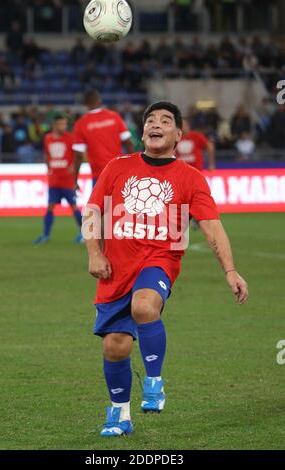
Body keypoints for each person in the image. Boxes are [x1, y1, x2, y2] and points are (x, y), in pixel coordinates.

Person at [82, 101, 249, 437]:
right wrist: (94, 254)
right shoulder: (117, 167)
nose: (155, 124)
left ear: (178, 135)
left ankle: (155, 380)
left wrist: (230, 270)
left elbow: (212, 227)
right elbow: (91, 212)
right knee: (115, 344)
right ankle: (120, 414)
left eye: (165, 120)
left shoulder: (190, 178)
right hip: (115, 269)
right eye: (150, 120)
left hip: (159, 260)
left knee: (144, 305)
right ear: (143, 131)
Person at [34, 114, 82, 245]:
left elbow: (78, 156)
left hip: (67, 181)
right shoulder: (48, 138)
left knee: (74, 207)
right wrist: (48, 167)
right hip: (54, 180)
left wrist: (73, 170)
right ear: (54, 125)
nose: (63, 126)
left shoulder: (70, 138)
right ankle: (45, 235)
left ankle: (83, 234)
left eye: (65, 124)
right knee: (50, 208)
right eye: (61, 124)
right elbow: (47, 155)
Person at [72, 90, 135, 188]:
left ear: (85, 104)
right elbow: (129, 143)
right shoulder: (114, 116)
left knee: (102, 203)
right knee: (118, 202)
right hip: (118, 171)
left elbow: (78, 156)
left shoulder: (81, 124)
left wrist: (75, 179)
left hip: (99, 174)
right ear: (100, 101)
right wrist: (133, 167)